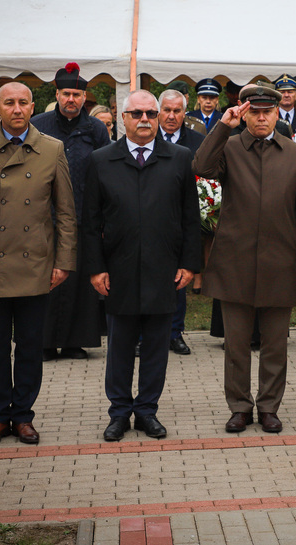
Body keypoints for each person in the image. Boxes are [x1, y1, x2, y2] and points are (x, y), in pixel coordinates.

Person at [0, 82, 76, 447]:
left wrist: (64, 261)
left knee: (30, 346)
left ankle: (22, 416)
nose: (17, 109)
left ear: (33, 106)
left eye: (23, 102)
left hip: (35, 263)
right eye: (9, 103)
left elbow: (66, 213)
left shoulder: (52, 148)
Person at [192, 84, 296, 434]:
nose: (261, 118)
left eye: (267, 112)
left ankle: (269, 407)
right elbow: (201, 166)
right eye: (255, 112)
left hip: (281, 261)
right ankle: (240, 407)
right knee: (236, 344)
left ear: (277, 114)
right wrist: (223, 126)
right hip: (235, 260)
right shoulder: (230, 147)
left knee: (275, 344)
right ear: (245, 114)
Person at [84, 89, 201, 441]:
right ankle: (119, 413)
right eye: (137, 114)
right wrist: (96, 267)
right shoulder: (101, 160)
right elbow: (90, 221)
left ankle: (147, 411)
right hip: (118, 271)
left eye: (151, 113)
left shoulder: (179, 158)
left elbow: (190, 218)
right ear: (124, 118)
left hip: (163, 270)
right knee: (119, 347)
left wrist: (189, 264)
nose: (145, 120)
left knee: (155, 348)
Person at [31, 63, 110, 361]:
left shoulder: (95, 129)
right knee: (46, 280)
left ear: (84, 97)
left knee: (77, 281)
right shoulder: (38, 125)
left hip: (82, 215)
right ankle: (44, 342)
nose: (71, 100)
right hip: (44, 216)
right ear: (57, 95)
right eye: (66, 94)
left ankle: (76, 342)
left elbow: (105, 170)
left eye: (76, 95)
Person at [157, 88, 205, 355]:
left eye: (177, 111)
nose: (171, 116)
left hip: (181, 221)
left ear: (185, 113)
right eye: (167, 110)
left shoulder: (197, 141)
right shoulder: (146, 137)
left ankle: (175, 333)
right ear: (159, 112)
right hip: (150, 218)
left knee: (179, 278)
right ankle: (143, 336)